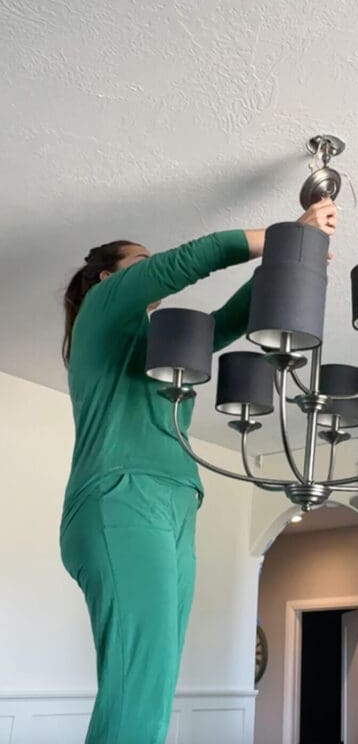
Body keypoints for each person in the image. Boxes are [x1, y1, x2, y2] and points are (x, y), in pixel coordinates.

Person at [59, 198, 337, 744]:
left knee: (153, 680)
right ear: (106, 277)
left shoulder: (162, 349)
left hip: (176, 505)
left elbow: (226, 324)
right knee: (138, 683)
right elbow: (184, 261)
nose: (151, 264)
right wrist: (286, 236)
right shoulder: (101, 309)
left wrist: (287, 267)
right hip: (120, 496)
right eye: (138, 260)